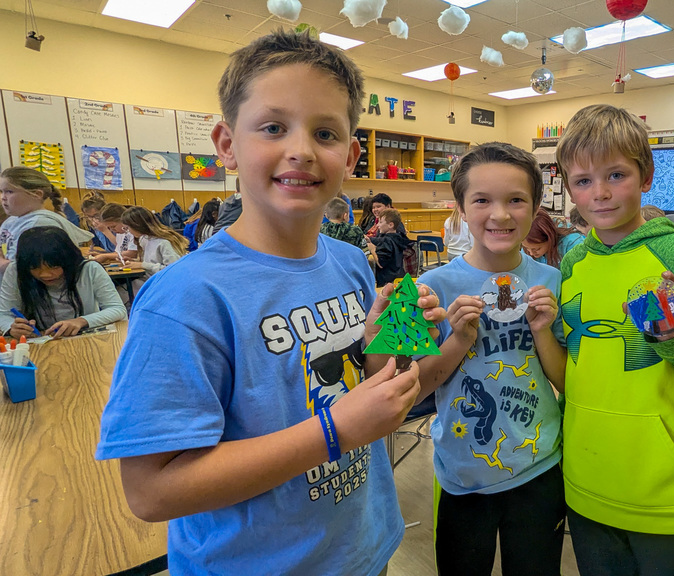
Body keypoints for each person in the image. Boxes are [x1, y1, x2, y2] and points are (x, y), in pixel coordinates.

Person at [96, 29, 444, 575]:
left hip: (364, 547)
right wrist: (335, 431)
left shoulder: (351, 262)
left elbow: (368, 383)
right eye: (273, 127)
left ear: (350, 155)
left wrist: (384, 344)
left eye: (325, 132)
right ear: (227, 145)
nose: (301, 150)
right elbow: (152, 491)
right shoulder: (186, 297)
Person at [555, 104, 674, 576]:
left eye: (616, 174)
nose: (599, 193)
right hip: (585, 478)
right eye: (582, 181)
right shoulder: (572, 263)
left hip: (665, 487)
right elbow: (567, 363)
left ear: (646, 177)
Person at [416, 142, 566, 575]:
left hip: (539, 464)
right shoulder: (432, 286)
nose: (500, 215)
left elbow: (565, 380)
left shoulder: (552, 281)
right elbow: (415, 390)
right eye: (482, 200)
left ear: (536, 206)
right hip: (462, 473)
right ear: (460, 209)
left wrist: (542, 332)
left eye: (516, 200)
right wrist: (457, 341)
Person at [0, 227, 126, 339]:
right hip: (38, 344)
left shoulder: (89, 269)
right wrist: (12, 327)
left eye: (54, 266)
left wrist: (81, 321)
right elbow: (4, 314)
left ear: (68, 260)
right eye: (35, 267)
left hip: (85, 341)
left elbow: (117, 309)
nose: (45, 274)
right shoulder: (16, 270)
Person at [0, 166, 94, 273]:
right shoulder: (11, 221)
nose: (3, 197)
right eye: (1, 191)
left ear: (37, 194)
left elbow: (21, 269)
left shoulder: (40, 224)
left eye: (9, 192)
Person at [120, 206, 188, 277]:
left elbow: (173, 270)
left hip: (163, 282)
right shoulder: (145, 239)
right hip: (151, 279)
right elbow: (152, 263)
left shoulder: (164, 242)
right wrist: (134, 262)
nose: (128, 232)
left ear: (137, 225)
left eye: (127, 228)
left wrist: (143, 265)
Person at [321, 196, 375, 264]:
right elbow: (364, 254)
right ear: (345, 215)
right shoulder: (355, 230)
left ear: (326, 215)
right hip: (349, 267)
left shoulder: (319, 230)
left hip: (327, 267)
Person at [367, 208, 411, 287]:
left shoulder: (386, 241)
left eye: (380, 222)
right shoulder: (398, 237)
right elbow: (380, 240)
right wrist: (370, 239)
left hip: (387, 281)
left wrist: (372, 249)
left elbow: (380, 263)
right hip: (398, 276)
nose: (378, 225)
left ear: (390, 225)